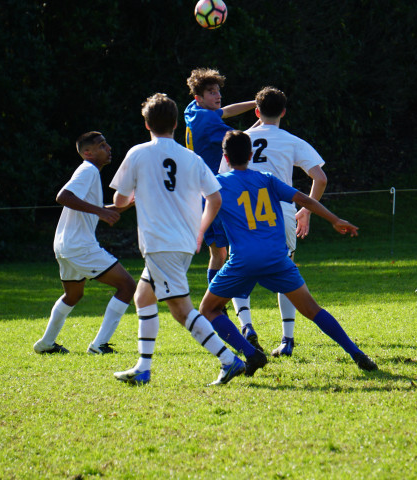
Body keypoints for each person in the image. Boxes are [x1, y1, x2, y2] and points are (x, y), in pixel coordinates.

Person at [110, 93, 266, 386]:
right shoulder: (190, 157)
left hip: (161, 243)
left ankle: (229, 361)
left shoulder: (138, 153)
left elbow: (119, 200)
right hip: (181, 242)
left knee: (181, 311)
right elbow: (214, 197)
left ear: (146, 125)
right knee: (143, 297)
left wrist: (133, 196)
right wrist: (200, 229)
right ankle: (143, 367)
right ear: (176, 123)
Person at [199, 130, 378, 372]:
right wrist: (334, 219)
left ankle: (251, 354)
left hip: (244, 260)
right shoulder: (267, 178)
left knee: (208, 309)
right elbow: (305, 200)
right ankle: (356, 353)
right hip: (276, 257)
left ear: (226, 158)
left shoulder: (218, 184)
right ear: (251, 155)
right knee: (313, 310)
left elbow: (199, 208)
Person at [220, 86, 327, 357]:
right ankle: (287, 339)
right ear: (283, 112)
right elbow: (320, 177)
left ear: (256, 112)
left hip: (244, 214)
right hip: (281, 213)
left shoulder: (240, 138)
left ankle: (247, 327)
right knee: (286, 274)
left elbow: (223, 176)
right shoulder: (291, 140)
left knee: (238, 270)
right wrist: (307, 211)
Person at [33, 132, 136, 355]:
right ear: (88, 153)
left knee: (73, 295)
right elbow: (63, 196)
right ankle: (99, 345)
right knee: (127, 286)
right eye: (102, 145)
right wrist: (100, 211)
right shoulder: (88, 170)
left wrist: (131, 202)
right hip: (80, 246)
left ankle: (46, 344)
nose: (108, 148)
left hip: (64, 245)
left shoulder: (91, 174)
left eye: (107, 144)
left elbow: (101, 209)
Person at [184, 67, 261, 349]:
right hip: (213, 194)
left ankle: (219, 305)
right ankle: (220, 307)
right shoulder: (207, 123)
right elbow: (242, 140)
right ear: (198, 96)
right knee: (230, 254)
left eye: (218, 91)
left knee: (219, 253)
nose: (217, 96)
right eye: (211, 93)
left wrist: (254, 104)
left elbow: (225, 111)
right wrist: (264, 121)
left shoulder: (192, 110)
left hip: (201, 192)